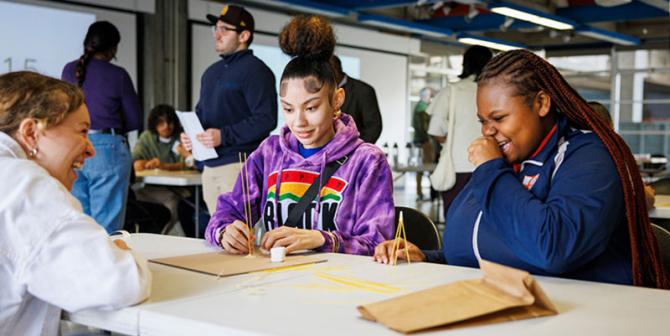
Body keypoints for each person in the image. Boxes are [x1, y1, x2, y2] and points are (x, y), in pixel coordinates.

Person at [374, 50, 669, 288]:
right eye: (483, 121)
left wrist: (490, 168)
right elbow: (477, 248)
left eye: (499, 118)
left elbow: (553, 249)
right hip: (497, 307)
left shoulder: (589, 155)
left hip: (583, 316)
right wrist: (428, 258)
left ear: (541, 103)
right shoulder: (508, 161)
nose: (488, 131)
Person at [205, 15, 395, 256]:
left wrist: (320, 239)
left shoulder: (367, 162)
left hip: (342, 287)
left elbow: (378, 244)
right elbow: (226, 213)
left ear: (337, 101)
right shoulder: (270, 152)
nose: (299, 122)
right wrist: (224, 232)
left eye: (311, 107)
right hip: (277, 283)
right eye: (288, 109)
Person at [0, 71, 151, 335]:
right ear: (31, 133)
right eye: (82, 132)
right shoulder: (23, 185)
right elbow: (120, 282)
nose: (91, 149)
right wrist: (122, 252)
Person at [181, 4, 277, 214]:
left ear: (244, 35)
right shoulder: (211, 73)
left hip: (239, 165)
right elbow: (201, 115)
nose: (217, 34)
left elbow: (266, 119)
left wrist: (224, 136)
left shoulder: (257, 71)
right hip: (209, 166)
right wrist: (191, 136)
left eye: (224, 29)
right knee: (218, 233)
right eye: (216, 28)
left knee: (242, 233)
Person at [61, 21, 142, 233]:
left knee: (80, 219)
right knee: (107, 225)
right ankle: (106, 265)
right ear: (113, 48)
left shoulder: (69, 70)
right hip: (108, 148)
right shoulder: (118, 75)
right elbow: (135, 120)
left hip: (74, 146)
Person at [427, 45, 492, 219]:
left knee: (457, 219)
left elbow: (435, 129)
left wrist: (451, 141)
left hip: (457, 168)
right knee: (486, 221)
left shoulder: (451, 91)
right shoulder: (496, 91)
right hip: (491, 165)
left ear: (466, 63)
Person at [587, 101, 655, 210]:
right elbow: (645, 201)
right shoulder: (613, 156)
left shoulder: (568, 156)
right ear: (610, 125)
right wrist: (648, 193)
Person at [331, 55, 383, 144]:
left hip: (353, 151)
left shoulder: (363, 90)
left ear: (335, 70)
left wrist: (357, 150)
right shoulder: (321, 90)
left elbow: (373, 127)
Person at [133, 104, 190, 172]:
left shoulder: (184, 136)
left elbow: (191, 164)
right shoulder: (146, 138)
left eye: (169, 122)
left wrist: (163, 166)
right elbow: (135, 162)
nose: (166, 126)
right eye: (161, 122)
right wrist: (146, 164)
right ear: (154, 124)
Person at [412, 87, 434, 201]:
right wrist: (427, 140)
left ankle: (421, 192)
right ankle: (430, 192)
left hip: (420, 140)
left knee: (421, 168)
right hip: (424, 141)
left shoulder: (420, 107)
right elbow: (423, 127)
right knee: (428, 167)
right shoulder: (422, 108)